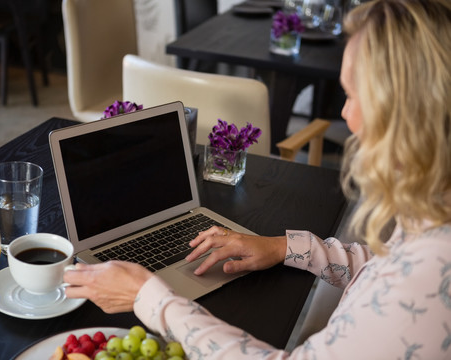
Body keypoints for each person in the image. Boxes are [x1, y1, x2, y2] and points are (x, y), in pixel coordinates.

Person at [64, 0, 451, 358]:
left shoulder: (430, 273)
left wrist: (149, 297)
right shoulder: (433, 213)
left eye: (352, 96)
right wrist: (284, 248)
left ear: (406, 110)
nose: (347, 117)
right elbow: (378, 268)